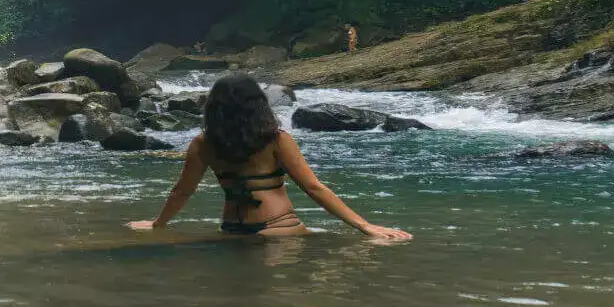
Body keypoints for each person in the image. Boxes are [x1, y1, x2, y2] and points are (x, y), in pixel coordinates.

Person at [128, 74, 411, 240]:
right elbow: (313, 188)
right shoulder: (275, 139)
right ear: (258, 104)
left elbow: (182, 191)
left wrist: (158, 224)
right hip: (279, 228)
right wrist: (365, 227)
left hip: (232, 230)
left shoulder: (203, 143)